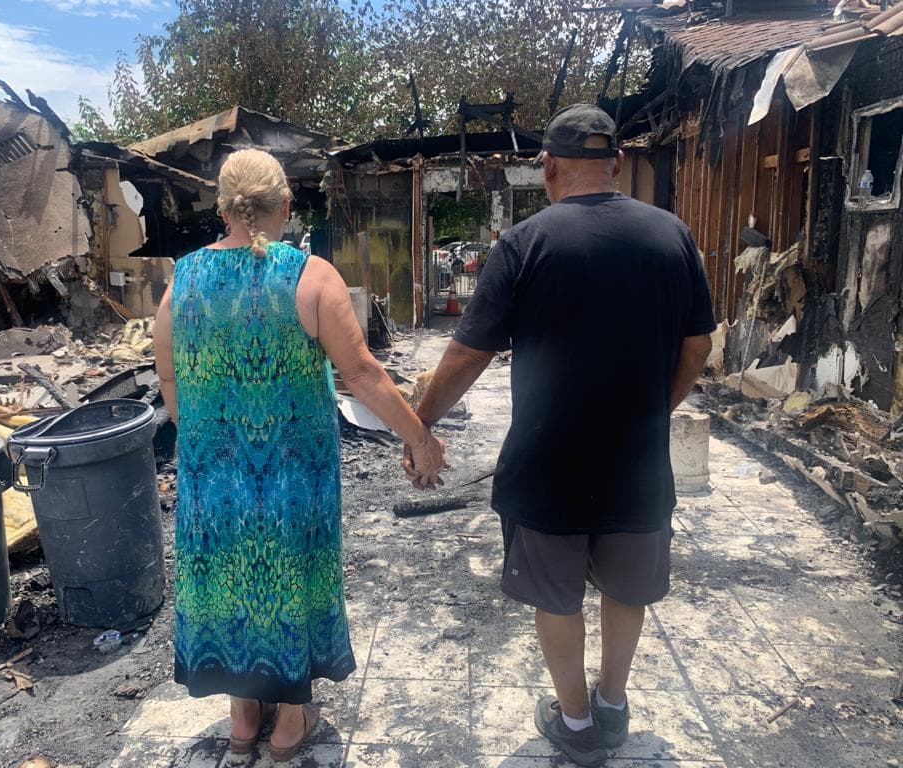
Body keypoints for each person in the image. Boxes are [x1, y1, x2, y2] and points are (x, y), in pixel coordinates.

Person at [408, 104, 716, 767]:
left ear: (548, 169)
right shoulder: (672, 236)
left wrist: (421, 423)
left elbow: (466, 355)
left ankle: (574, 723)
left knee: (557, 595)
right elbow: (699, 343)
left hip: (547, 465)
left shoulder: (524, 243)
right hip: (637, 461)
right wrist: (657, 407)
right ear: (614, 165)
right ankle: (612, 704)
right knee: (626, 588)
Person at [154, 149, 446, 762]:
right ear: (286, 205)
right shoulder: (310, 277)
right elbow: (363, 374)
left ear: (224, 207)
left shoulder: (181, 279)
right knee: (289, 576)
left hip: (213, 475)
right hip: (291, 477)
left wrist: (206, 441)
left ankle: (242, 718)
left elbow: (170, 379)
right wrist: (418, 437)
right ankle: (290, 724)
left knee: (229, 580)